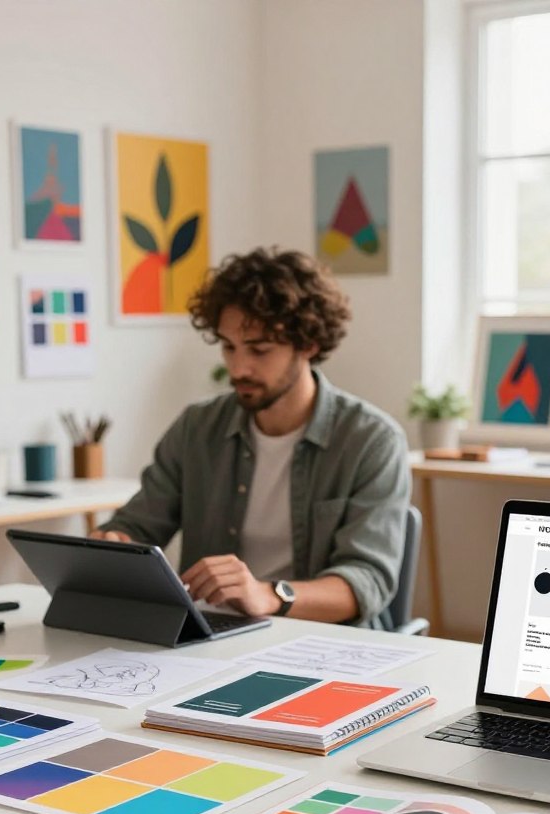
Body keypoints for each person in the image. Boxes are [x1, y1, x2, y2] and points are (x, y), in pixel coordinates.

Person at [91, 247, 410, 626]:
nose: (239, 367)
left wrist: (269, 594)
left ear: (308, 344)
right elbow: (139, 525)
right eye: (229, 347)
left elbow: (366, 583)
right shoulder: (197, 427)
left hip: (325, 641)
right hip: (212, 633)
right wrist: (114, 542)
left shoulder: (371, 440)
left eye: (260, 350)